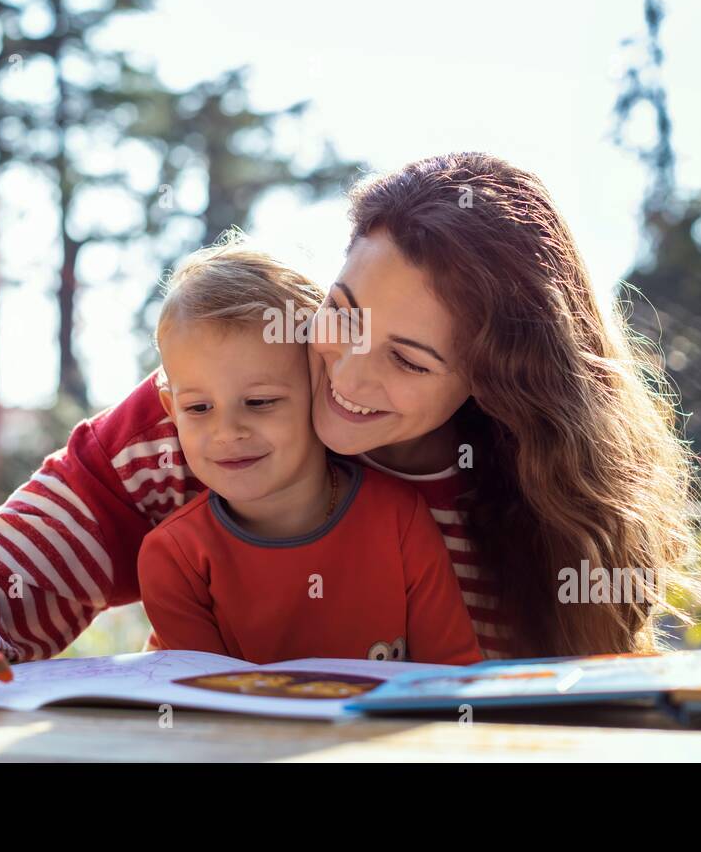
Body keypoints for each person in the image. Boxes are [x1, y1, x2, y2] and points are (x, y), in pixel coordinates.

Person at [0, 152, 701, 697]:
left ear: (497, 383)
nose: (345, 373)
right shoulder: (210, 409)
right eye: (339, 316)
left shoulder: (527, 487)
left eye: (410, 362)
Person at [135, 239, 481, 665]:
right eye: (198, 408)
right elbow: (208, 709)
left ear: (322, 385)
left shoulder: (399, 520)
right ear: (172, 411)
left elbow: (453, 678)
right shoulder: (173, 558)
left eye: (260, 402)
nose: (228, 431)